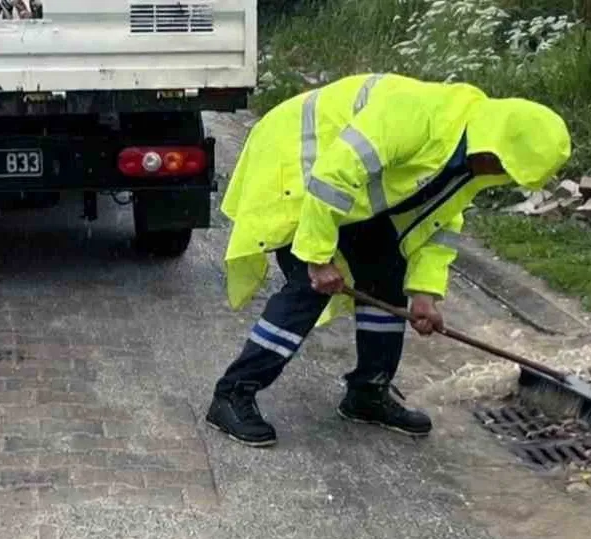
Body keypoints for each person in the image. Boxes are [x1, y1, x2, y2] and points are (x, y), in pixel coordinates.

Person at [205, 72, 572, 447]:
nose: (498, 175)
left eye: (507, 174)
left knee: (387, 272)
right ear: (494, 143)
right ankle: (232, 394)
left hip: (345, 187)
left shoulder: (472, 158)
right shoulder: (417, 116)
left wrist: (426, 294)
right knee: (308, 287)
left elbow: (439, 224)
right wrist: (318, 258)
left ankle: (368, 392)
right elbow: (332, 176)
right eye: (501, 166)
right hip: (295, 161)